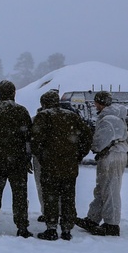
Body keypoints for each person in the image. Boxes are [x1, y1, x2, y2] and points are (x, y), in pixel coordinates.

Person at [31, 90, 93, 241]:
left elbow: (35, 140)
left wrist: (42, 157)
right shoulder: (72, 116)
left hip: (50, 164)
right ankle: (66, 229)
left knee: (50, 196)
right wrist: (79, 154)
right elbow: (87, 135)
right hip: (69, 164)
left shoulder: (43, 116)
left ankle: (51, 228)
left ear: (43, 103)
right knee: (68, 196)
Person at [0, 80, 33, 237]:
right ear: (13, 92)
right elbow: (29, 136)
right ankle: (22, 226)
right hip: (18, 159)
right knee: (20, 194)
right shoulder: (21, 111)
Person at [77, 91, 128, 237]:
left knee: (110, 189)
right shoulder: (116, 115)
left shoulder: (108, 119)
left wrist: (92, 146)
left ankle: (112, 225)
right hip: (116, 152)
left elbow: (99, 142)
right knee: (103, 188)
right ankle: (92, 219)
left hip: (111, 154)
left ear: (99, 103)